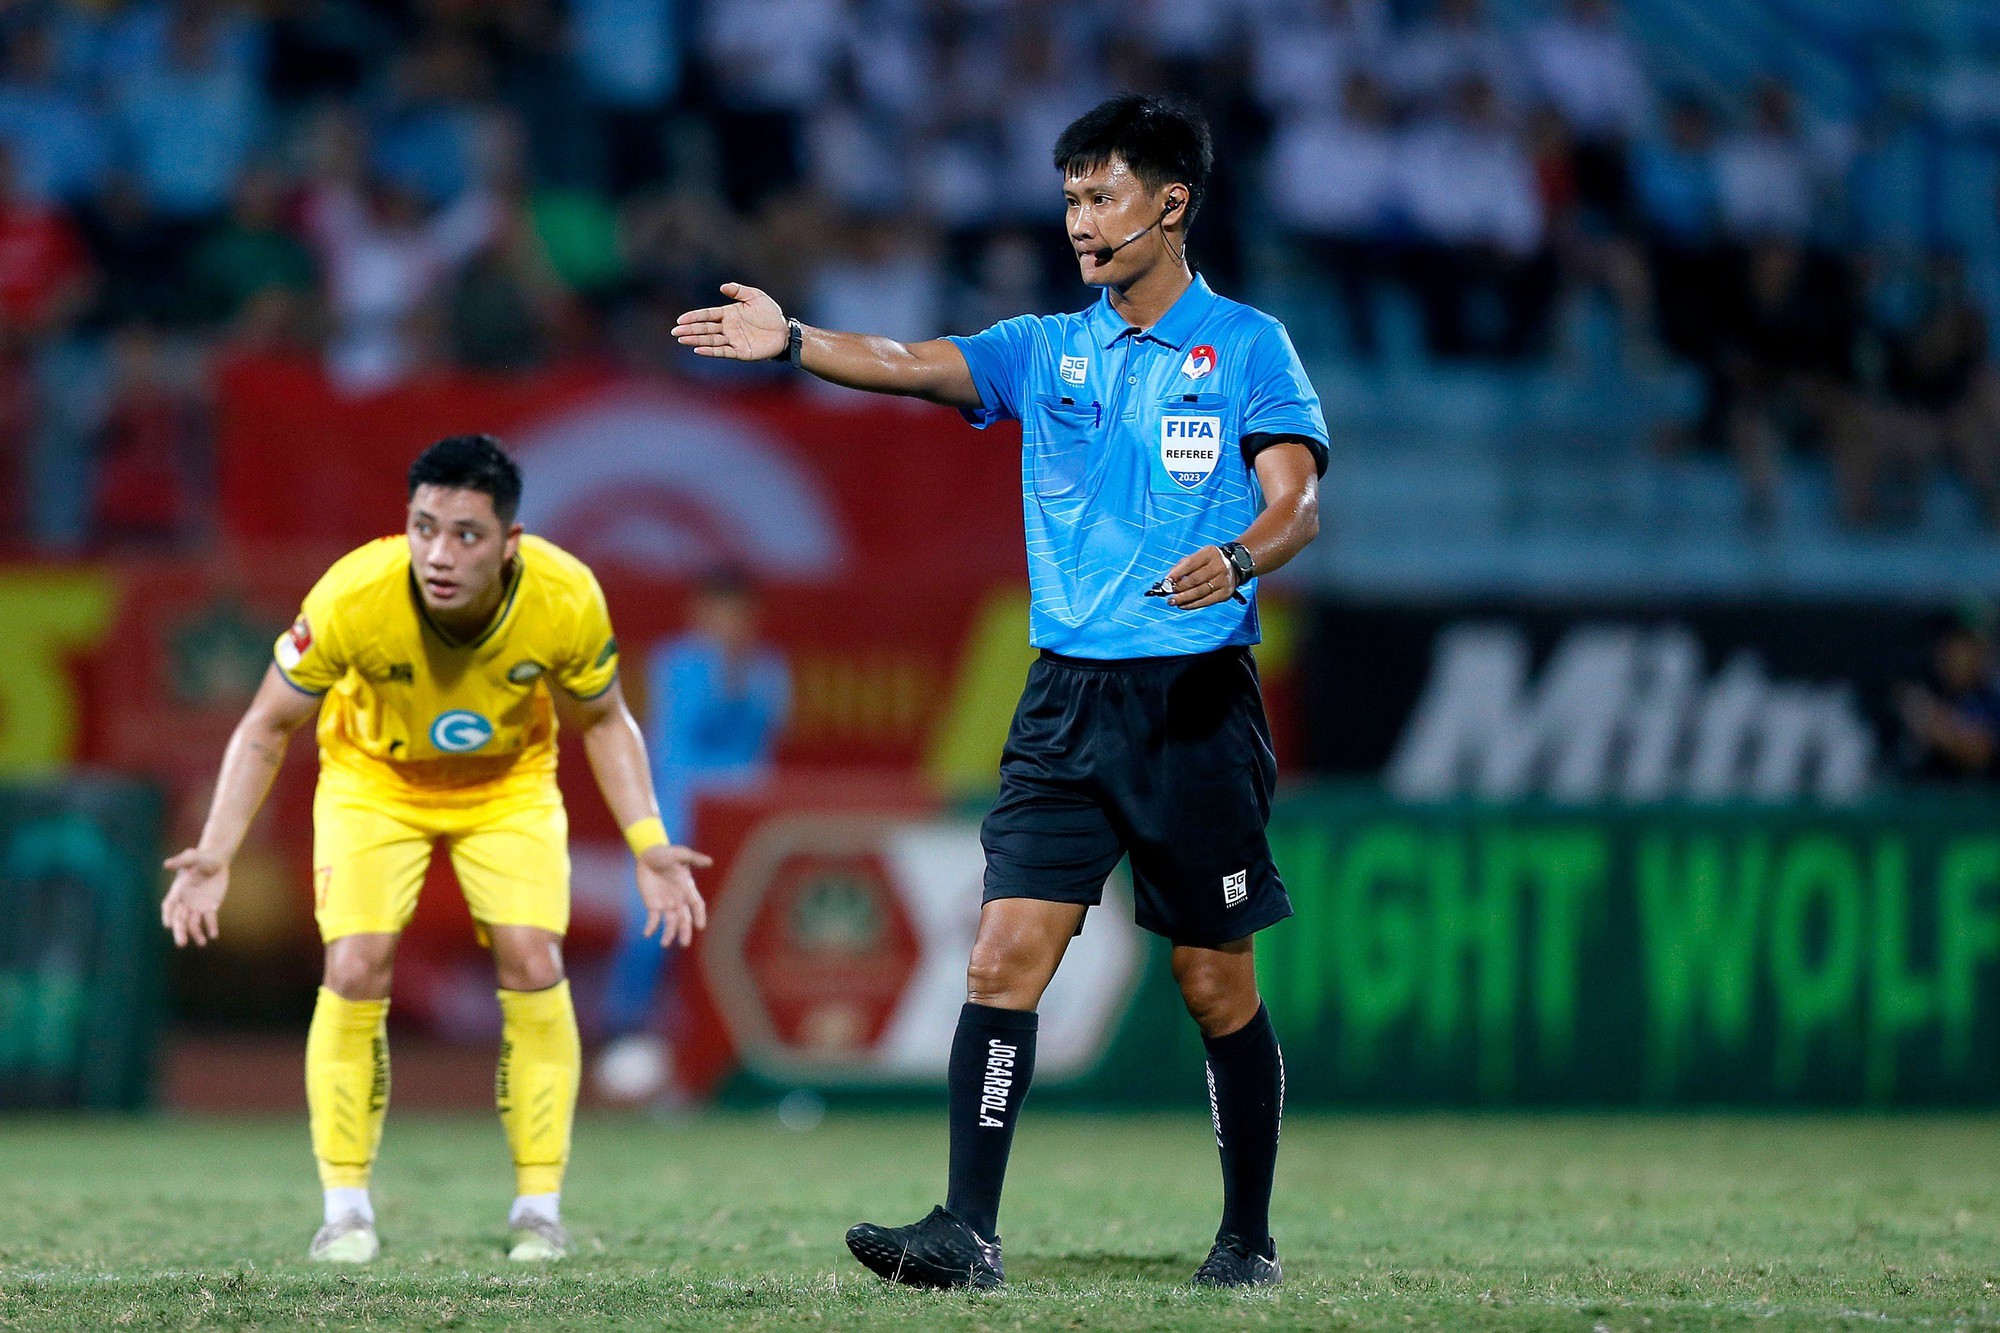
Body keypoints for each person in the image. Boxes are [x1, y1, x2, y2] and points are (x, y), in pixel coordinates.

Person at [675, 92, 1326, 1291]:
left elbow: (1295, 503)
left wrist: (1238, 556)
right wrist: (799, 339)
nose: (1079, 219)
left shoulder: (1246, 347)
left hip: (1192, 709)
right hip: (1064, 703)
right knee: (997, 958)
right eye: (1070, 196)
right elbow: (915, 363)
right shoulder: (1045, 348)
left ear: (1169, 202)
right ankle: (965, 1234)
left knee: (1211, 977)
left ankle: (1247, 1236)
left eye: (1103, 194)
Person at [158, 435, 711, 1264]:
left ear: (510, 542)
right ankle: (344, 1210)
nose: (438, 554)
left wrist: (650, 842)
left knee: (533, 961)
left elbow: (603, 719)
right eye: (424, 528)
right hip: (374, 781)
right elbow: (268, 723)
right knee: (353, 967)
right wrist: (214, 850)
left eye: (465, 535)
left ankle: (539, 1207)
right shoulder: (354, 595)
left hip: (507, 786)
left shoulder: (565, 596)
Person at [597, 569, 789, 1094]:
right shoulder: (675, 662)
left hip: (745, 822)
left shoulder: (771, 669)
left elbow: (761, 747)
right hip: (680, 815)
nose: (729, 623)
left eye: (739, 613)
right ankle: (623, 1028)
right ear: (699, 615)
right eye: (718, 612)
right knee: (654, 928)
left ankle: (735, 1044)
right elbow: (678, 742)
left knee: (740, 929)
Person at [1896, 607, 2000, 783]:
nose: (1953, 655)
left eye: (1963, 645)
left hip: (1977, 804)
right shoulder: (1926, 686)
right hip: (1915, 801)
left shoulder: (1991, 699)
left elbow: (1978, 753)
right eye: (1947, 645)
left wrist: (1931, 721)